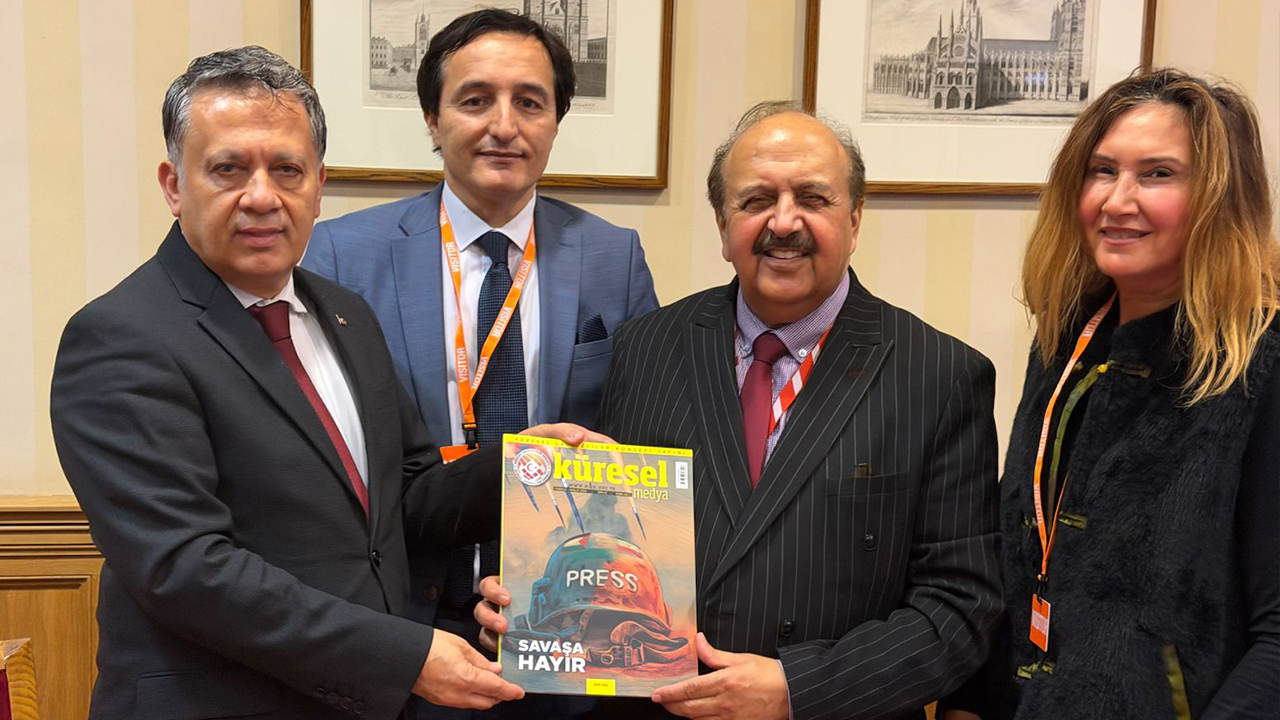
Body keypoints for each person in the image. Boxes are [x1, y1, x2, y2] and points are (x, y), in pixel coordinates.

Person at [50, 46, 602, 720]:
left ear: (318, 186)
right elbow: (185, 568)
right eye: (228, 169)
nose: (261, 196)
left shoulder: (344, 314)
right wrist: (402, 657)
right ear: (173, 185)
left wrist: (521, 467)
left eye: (287, 169)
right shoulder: (121, 337)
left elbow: (409, 495)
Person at [476, 101, 1003, 720]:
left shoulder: (940, 375)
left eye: (813, 198)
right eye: (756, 201)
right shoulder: (645, 348)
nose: (784, 221)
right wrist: (530, 606)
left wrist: (798, 689)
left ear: (855, 218)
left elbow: (959, 609)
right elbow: (608, 533)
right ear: (723, 226)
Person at [301, 11, 659, 691]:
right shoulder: (341, 256)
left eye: (530, 102)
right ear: (433, 121)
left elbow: (634, 448)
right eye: (474, 100)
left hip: (560, 630)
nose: (504, 125)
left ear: (556, 122)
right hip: (400, 626)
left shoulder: (614, 258)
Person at [941, 69, 1280, 719]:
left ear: (1220, 196)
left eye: (1158, 174)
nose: (1118, 200)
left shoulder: (1259, 363)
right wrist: (969, 703)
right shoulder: (1065, 344)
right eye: (1103, 171)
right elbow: (1014, 557)